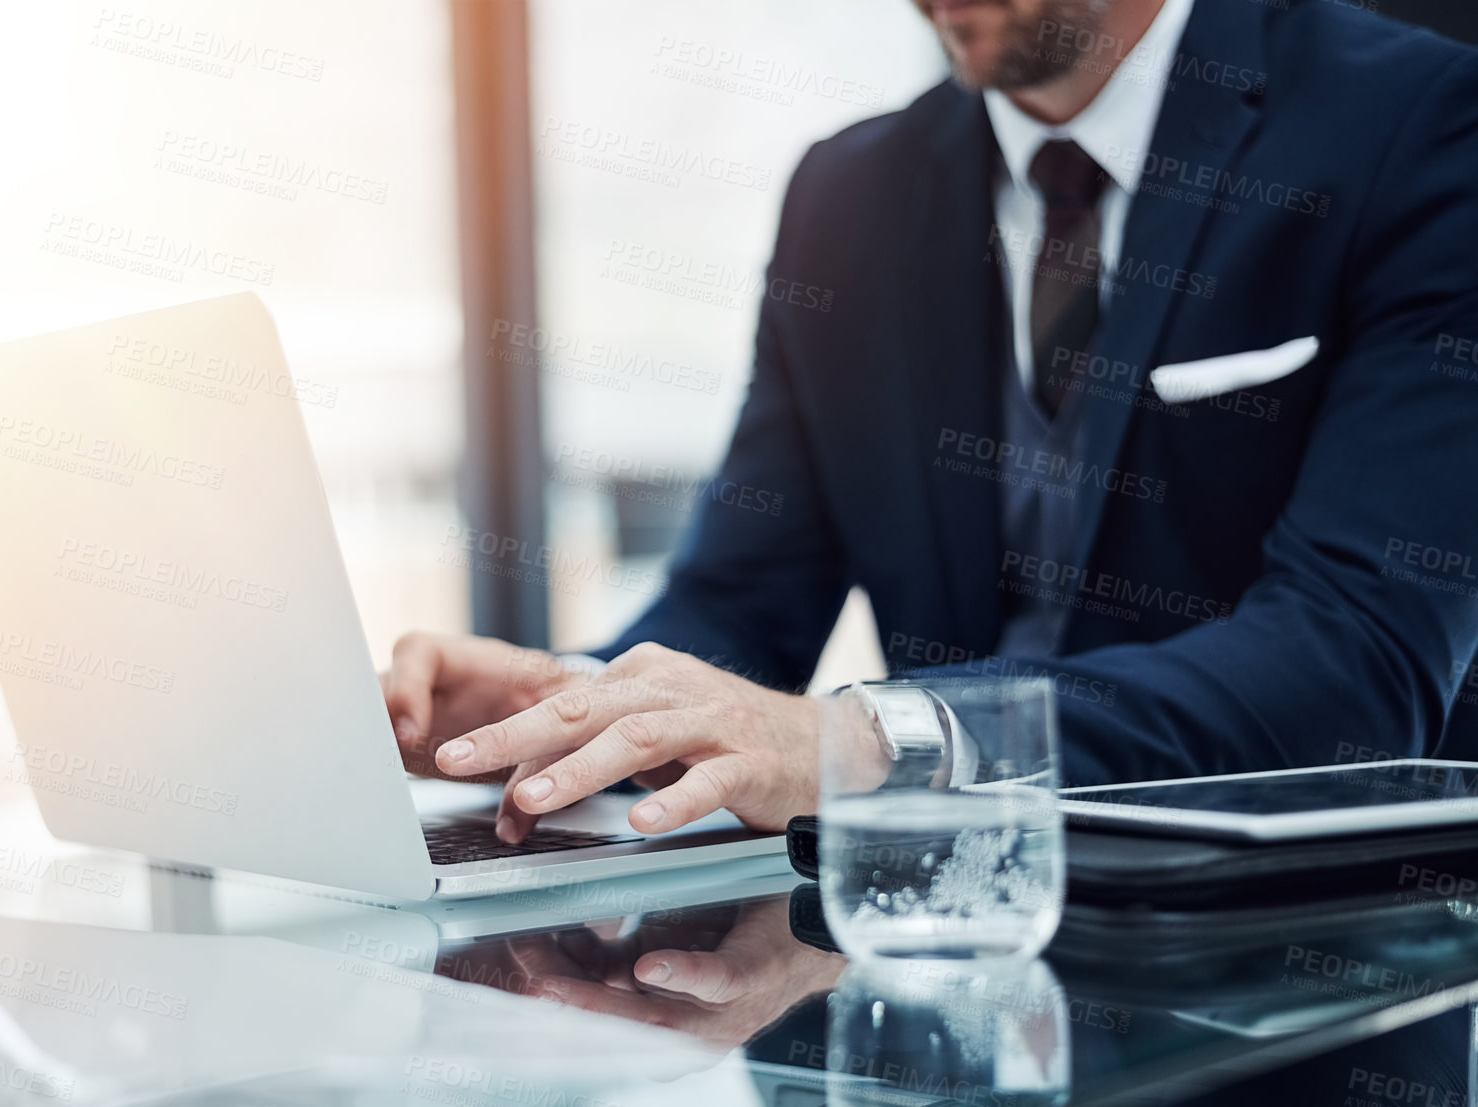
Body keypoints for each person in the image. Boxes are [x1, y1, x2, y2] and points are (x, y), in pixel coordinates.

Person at [380, 0, 1478, 843]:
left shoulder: (1419, 126)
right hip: (931, 972)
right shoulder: (847, 193)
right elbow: (742, 602)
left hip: (1285, 986)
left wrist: (866, 744)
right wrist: (569, 705)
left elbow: (1357, 666)